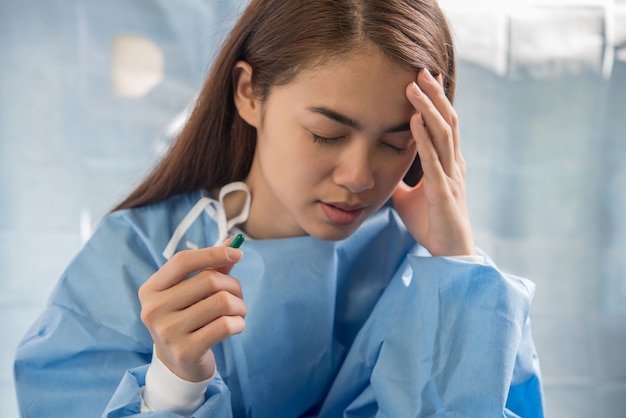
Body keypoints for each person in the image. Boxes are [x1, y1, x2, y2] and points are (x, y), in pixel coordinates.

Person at [13, 0, 544, 416]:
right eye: (325, 133)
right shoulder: (133, 258)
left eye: (394, 142)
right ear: (249, 93)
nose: (359, 177)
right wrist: (172, 387)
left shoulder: (441, 278)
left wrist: (457, 265)